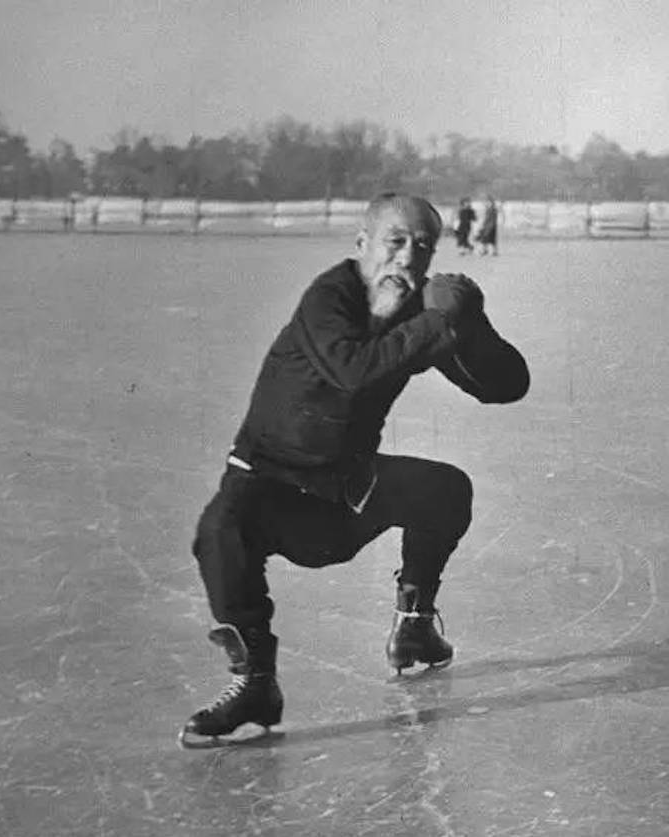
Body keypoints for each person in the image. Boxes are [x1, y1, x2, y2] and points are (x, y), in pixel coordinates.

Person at [180, 192, 529, 745]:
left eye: (422, 247)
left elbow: (508, 387)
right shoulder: (330, 297)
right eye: (395, 242)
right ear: (362, 245)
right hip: (272, 490)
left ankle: (414, 626)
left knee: (444, 491)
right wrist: (439, 322)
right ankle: (255, 684)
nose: (408, 259)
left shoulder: (421, 311)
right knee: (219, 530)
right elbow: (353, 370)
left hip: (345, 498)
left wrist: (471, 322)